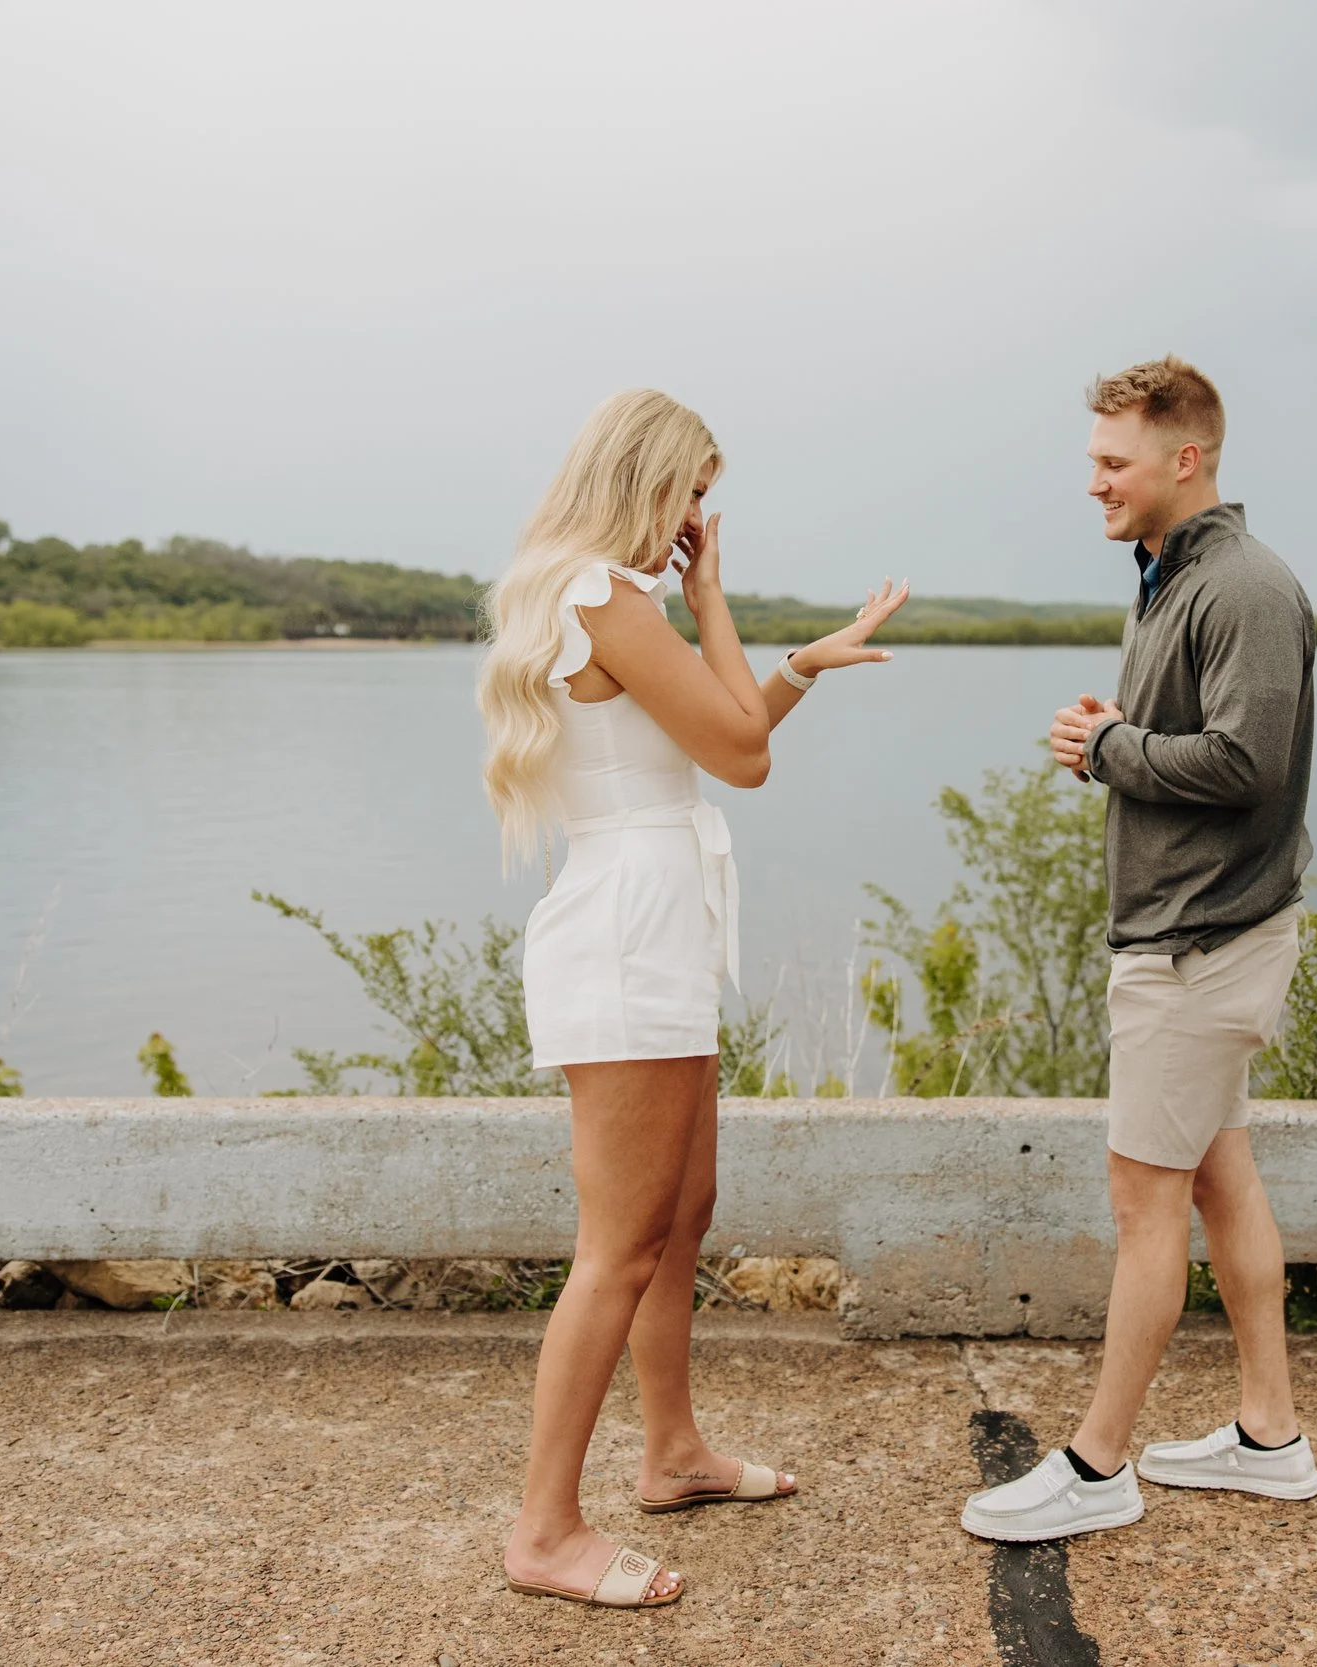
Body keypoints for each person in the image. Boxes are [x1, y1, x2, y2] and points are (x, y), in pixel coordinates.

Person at [478, 389, 909, 1607]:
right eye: (693, 493)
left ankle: (671, 1453)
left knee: (683, 1211)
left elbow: (709, 738)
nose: (697, 520)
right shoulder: (604, 597)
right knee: (617, 1245)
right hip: (627, 937)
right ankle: (544, 1528)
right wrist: (715, 601)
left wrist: (800, 667)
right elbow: (741, 754)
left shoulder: (594, 595)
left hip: (654, 923)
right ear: (647, 479)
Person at [961, 356, 1317, 1543]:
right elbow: (1199, 747)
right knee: (1220, 1174)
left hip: (1198, 942)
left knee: (1142, 1199)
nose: (1095, 483)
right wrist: (1111, 742)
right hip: (1196, 933)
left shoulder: (1246, 589)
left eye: (1112, 463)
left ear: (1187, 458)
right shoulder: (1170, 577)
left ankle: (1097, 1461)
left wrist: (1110, 746)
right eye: (1093, 461)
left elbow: (1245, 764)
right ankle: (1269, 1433)